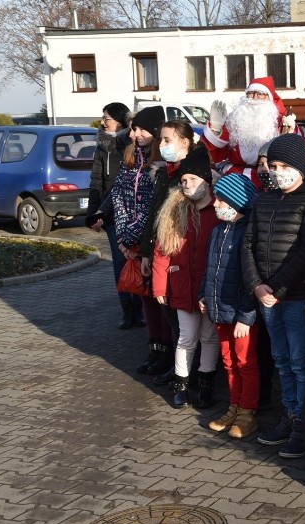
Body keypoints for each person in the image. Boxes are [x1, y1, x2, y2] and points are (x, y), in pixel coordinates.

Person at [241, 134, 305, 458]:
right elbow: (248, 245)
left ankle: (303, 425)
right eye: (273, 166)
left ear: (301, 167)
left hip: (298, 297)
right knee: (281, 360)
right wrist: (257, 286)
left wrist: (276, 289)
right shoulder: (263, 199)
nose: (278, 172)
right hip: (267, 298)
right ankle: (289, 415)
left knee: (301, 363)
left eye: (285, 166)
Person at [151, 145, 221, 408]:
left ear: (207, 180)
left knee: (209, 337)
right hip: (182, 286)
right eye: (183, 180)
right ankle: (181, 384)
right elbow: (162, 250)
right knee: (187, 337)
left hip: (210, 287)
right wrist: (159, 285)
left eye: (193, 179)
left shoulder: (219, 210)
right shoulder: (175, 212)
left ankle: (206, 384)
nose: (187, 185)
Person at [200, 174, 261, 438]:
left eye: (221, 200)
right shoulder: (217, 231)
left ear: (237, 202)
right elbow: (210, 269)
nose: (215, 204)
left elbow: (252, 279)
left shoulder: (248, 234)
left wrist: (246, 316)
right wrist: (205, 295)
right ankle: (234, 406)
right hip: (219, 310)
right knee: (228, 361)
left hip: (240, 314)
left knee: (245, 362)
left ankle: (248, 412)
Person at [109, 105, 168, 375]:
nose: (135, 134)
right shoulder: (130, 159)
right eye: (134, 128)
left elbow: (153, 208)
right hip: (130, 242)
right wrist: (123, 236)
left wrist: (135, 237)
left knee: (159, 299)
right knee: (145, 299)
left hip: (150, 242)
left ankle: (167, 350)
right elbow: (119, 196)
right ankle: (154, 349)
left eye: (142, 128)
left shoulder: (162, 164)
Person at [138, 120, 197, 383]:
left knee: (185, 321)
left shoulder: (192, 173)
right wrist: (146, 251)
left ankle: (190, 372)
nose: (161, 145)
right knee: (170, 314)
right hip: (161, 251)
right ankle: (178, 367)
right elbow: (155, 214)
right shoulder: (165, 172)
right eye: (160, 139)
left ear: (184, 142)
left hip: (180, 255)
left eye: (166, 140)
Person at [85, 102, 136, 329]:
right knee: (119, 262)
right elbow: (97, 181)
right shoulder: (102, 146)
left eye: (107, 117)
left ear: (120, 120)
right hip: (111, 214)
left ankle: (141, 309)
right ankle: (127, 311)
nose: (103, 121)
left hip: (133, 212)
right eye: (102, 117)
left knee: (135, 259)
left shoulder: (131, 143)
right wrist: (93, 214)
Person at [202, 77, 298, 184]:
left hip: (269, 177)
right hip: (235, 177)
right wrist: (215, 129)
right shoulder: (234, 121)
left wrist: (292, 134)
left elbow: (298, 154)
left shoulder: (282, 122)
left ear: (269, 97)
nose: (255, 97)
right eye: (251, 93)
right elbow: (215, 154)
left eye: (260, 93)